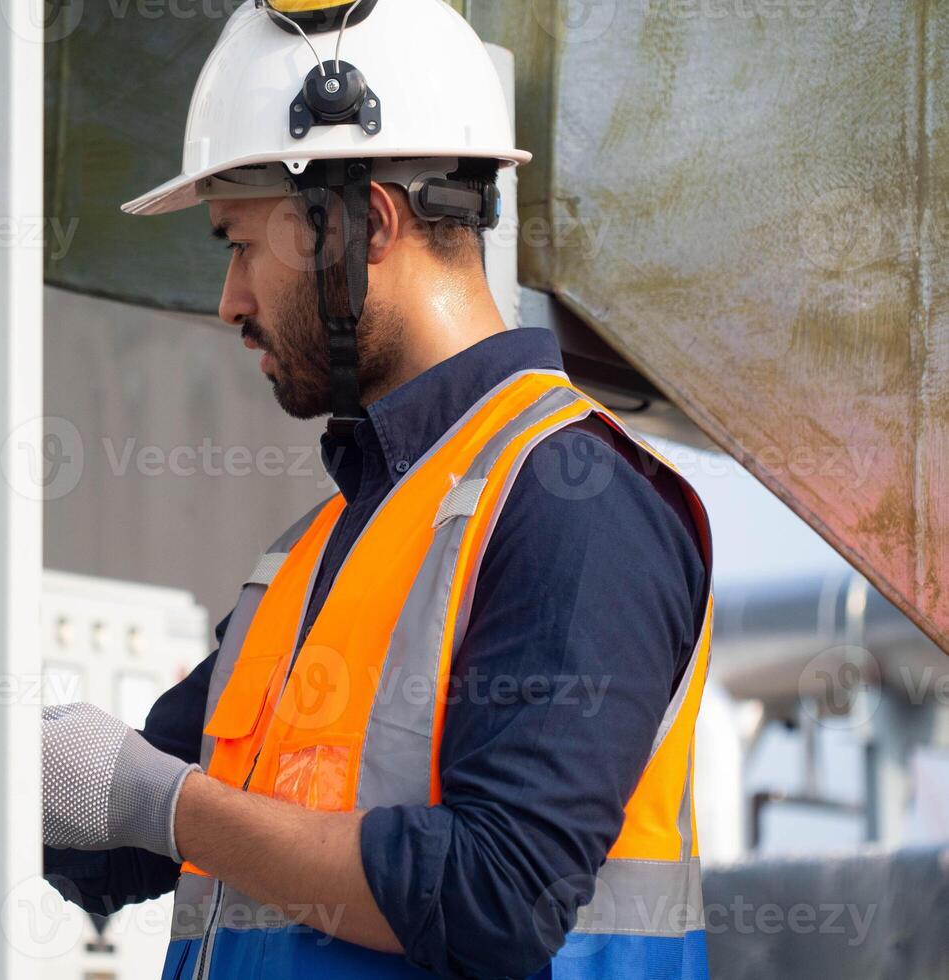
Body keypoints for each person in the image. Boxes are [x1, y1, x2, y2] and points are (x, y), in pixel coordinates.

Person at [42, 2, 713, 979]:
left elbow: (498, 893)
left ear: (367, 224)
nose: (229, 300)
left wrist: (168, 803)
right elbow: (110, 841)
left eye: (239, 243)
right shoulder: (318, 549)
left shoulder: (575, 499)